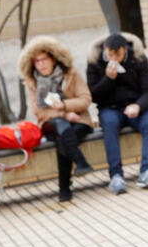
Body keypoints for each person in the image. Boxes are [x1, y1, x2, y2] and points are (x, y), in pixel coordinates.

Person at [18, 37, 94, 202]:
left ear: (52, 58)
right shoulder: (33, 82)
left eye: (44, 59)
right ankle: (81, 162)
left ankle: (64, 188)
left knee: (63, 139)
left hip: (79, 120)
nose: (41, 64)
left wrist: (65, 104)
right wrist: (64, 114)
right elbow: (39, 112)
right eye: (36, 61)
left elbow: (86, 99)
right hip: (50, 123)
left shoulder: (71, 74)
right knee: (60, 125)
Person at [86, 32, 148, 194]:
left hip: (135, 106)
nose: (113, 59)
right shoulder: (94, 63)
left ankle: (147, 171)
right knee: (109, 125)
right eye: (109, 54)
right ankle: (116, 176)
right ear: (104, 50)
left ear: (125, 50)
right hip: (110, 108)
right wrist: (108, 78)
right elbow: (93, 96)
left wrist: (138, 106)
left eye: (117, 55)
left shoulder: (138, 59)